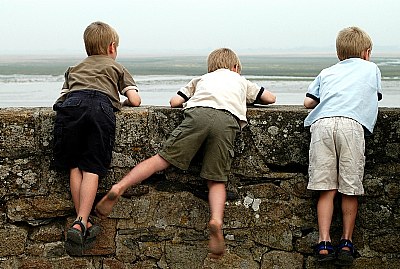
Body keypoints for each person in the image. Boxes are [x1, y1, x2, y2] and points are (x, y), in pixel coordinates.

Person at [95, 47, 276, 258]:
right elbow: (270, 98)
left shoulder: (201, 80)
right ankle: (216, 220)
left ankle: (120, 186)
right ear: (235, 67)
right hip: (227, 121)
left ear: (211, 67)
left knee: (160, 160)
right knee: (216, 180)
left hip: (197, 115)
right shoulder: (241, 81)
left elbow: (175, 102)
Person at [53, 21, 141, 255]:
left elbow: (62, 98)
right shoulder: (117, 68)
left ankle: (80, 220)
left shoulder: (73, 69)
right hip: (100, 109)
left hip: (71, 107)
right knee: (92, 167)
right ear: (112, 47)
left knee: (74, 166)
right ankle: (82, 220)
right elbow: (135, 101)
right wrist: (119, 103)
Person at [303, 26, 382, 266]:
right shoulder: (372, 68)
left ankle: (324, 242)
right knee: (349, 186)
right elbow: (374, 96)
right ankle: (346, 241)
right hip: (351, 125)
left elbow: (308, 102)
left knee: (326, 188)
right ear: (367, 52)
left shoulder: (327, 72)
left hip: (322, 124)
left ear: (339, 54)